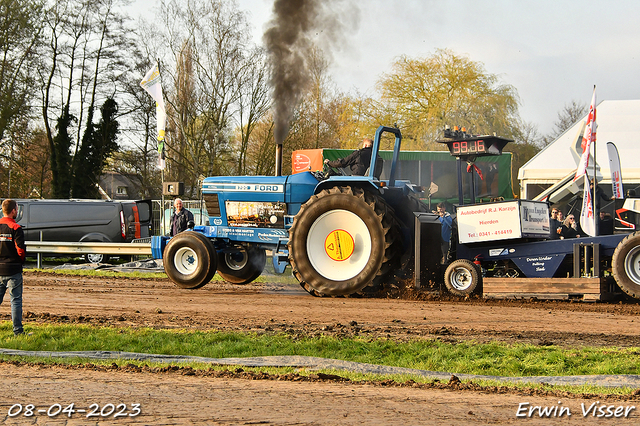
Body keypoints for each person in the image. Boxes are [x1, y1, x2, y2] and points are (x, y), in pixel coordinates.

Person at [0, 199, 26, 336]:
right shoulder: (16, 228)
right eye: (16, 209)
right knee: (15, 301)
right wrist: (20, 261)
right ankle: (18, 331)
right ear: (13, 211)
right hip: (13, 270)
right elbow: (20, 250)